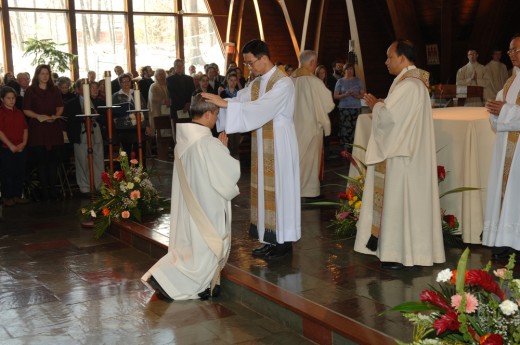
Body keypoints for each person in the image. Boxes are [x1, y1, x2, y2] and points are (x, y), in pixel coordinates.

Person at [202, 39, 301, 259]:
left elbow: (261, 108)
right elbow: (241, 100)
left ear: (263, 57)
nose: (249, 68)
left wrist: (226, 104)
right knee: (264, 191)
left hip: (280, 143)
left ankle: (283, 244)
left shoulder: (283, 83)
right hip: (263, 140)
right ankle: (269, 238)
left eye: (250, 63)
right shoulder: (256, 83)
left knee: (280, 190)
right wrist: (218, 107)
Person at [353, 40, 445, 269]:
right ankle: (400, 252)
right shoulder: (410, 83)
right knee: (402, 206)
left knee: (401, 204)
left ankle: (401, 254)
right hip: (405, 155)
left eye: (389, 57)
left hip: (403, 159)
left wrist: (377, 107)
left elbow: (391, 120)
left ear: (402, 58)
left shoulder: (409, 85)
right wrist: (383, 105)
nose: (386, 62)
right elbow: (397, 114)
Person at [141, 94, 240, 301]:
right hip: (206, 206)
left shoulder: (184, 139)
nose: (216, 118)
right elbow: (228, 175)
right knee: (206, 247)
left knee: (193, 247)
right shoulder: (207, 143)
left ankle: (169, 277)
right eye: (216, 113)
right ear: (206, 114)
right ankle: (182, 283)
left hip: (189, 204)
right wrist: (223, 149)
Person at [482, 34, 520, 259]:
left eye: (517, 50)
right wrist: (496, 112)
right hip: (507, 146)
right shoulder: (510, 81)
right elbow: (498, 116)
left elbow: (507, 111)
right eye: (511, 51)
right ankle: (505, 240)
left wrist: (504, 110)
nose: (512, 55)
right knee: (508, 192)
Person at [291, 50, 334, 199]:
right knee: (310, 160)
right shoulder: (314, 82)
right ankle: (308, 192)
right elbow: (328, 104)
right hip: (311, 127)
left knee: (296, 158)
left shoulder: (290, 80)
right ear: (311, 63)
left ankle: (294, 191)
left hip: (292, 128)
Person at [23, 64, 65, 201]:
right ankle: (44, 191)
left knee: (53, 162)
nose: (45, 76)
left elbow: (60, 107)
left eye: (47, 73)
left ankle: (53, 190)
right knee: (41, 162)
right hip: (38, 128)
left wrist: (55, 116)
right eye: (42, 74)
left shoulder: (55, 90)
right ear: (37, 75)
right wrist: (38, 116)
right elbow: (26, 110)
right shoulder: (31, 90)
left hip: (53, 128)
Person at [64, 79, 104, 195]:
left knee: (98, 159)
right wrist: (85, 118)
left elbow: (104, 118)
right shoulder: (71, 103)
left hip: (96, 132)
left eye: (88, 86)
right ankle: (85, 186)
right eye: (83, 86)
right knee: (82, 160)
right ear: (77, 89)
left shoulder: (96, 101)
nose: (87, 88)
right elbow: (70, 120)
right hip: (81, 133)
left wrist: (96, 116)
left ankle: (99, 185)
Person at [0, 86, 29, 206]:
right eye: (8, 98)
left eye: (13, 98)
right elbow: (0, 131)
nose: (11, 100)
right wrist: (11, 145)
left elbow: (25, 129)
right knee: (7, 173)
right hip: (7, 147)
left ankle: (17, 195)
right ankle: (7, 196)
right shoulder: (1, 112)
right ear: (2, 99)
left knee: (20, 172)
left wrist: (23, 143)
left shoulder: (19, 113)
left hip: (20, 146)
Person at [334, 64, 364, 152]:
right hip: (344, 108)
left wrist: (356, 95)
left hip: (356, 107)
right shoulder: (340, 81)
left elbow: (362, 94)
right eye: (348, 69)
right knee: (345, 128)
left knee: (356, 127)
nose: (350, 71)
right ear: (344, 71)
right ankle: (346, 148)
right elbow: (335, 96)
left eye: (351, 69)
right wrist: (345, 95)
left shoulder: (358, 80)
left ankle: (356, 147)